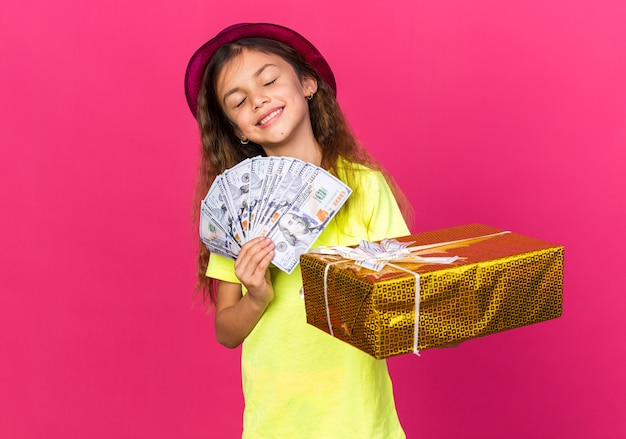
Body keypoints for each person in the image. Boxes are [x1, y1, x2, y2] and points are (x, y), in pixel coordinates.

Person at [185, 22, 412, 438]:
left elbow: (400, 297)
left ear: (307, 83)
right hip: (276, 423)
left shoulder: (364, 186)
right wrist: (257, 298)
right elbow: (225, 331)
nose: (259, 100)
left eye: (269, 80)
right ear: (237, 130)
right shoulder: (237, 210)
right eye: (238, 102)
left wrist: (434, 318)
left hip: (359, 418)